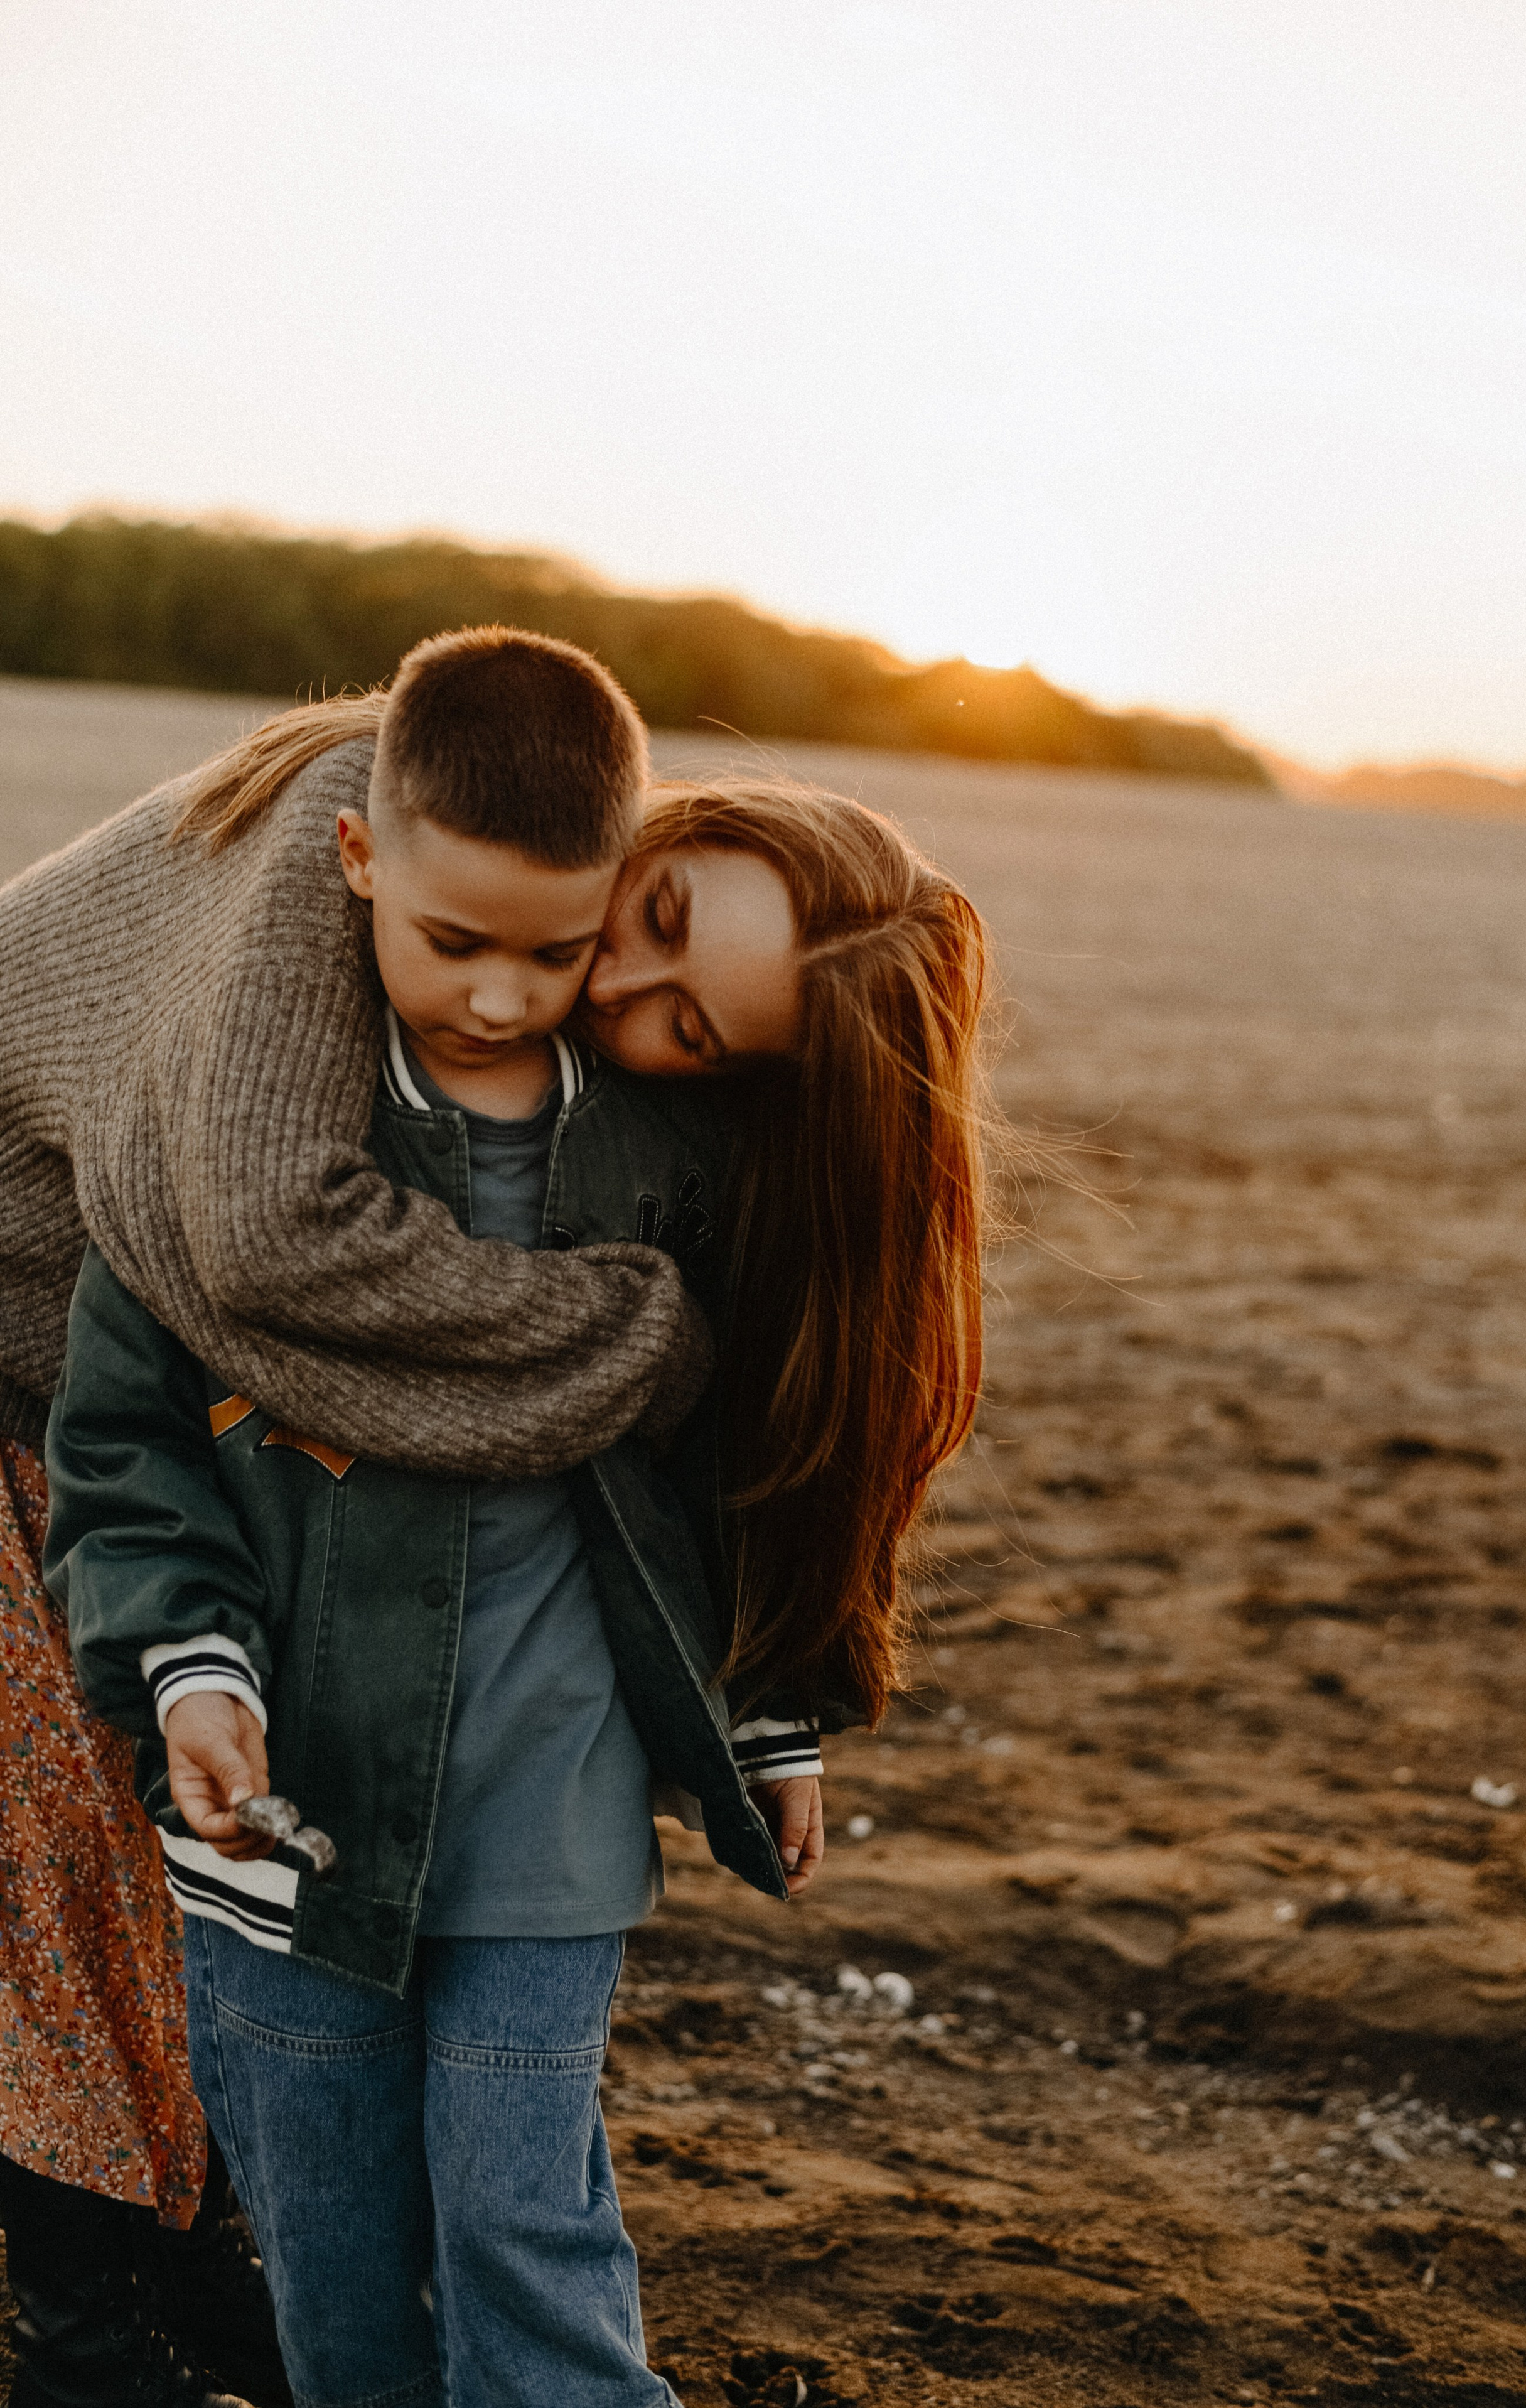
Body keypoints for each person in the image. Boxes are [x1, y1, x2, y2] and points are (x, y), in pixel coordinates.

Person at [2, 630, 992, 2402]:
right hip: (34, 1342)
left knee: (244, 1987)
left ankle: (187, 2297)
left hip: (160, 1441)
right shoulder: (349, 832)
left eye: (692, 1030)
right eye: (665, 918)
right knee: (86, 1898)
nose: (603, 998)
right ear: (667, 823)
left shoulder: (592, 1099)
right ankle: (98, 2335)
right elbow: (244, 1273)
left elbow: (685, 1473)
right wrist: (636, 1343)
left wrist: (761, 1697)